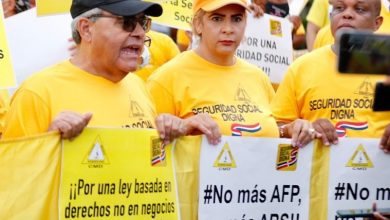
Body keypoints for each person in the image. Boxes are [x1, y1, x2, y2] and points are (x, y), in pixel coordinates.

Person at [147, 0, 319, 219]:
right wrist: (184, 127)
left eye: (236, 19)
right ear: (198, 25)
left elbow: (272, 131)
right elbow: (148, 152)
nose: (228, 28)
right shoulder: (167, 78)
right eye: (217, 19)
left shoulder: (257, 77)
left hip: (259, 208)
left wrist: (292, 129)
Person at [2, 0, 220, 145]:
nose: (140, 32)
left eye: (143, 22)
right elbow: (13, 184)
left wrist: (178, 132)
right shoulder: (37, 93)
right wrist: (49, 142)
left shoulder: (138, 87)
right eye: (126, 23)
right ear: (86, 29)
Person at [272, 0, 390, 145]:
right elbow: (274, 130)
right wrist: (300, 128)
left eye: (359, 9)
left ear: (376, 23)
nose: (347, 14)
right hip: (317, 167)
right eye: (339, 8)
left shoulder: (386, 68)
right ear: (330, 16)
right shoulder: (301, 67)